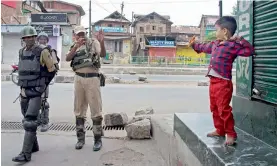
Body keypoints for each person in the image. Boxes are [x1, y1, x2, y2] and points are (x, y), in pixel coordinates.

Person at [188, 16, 254, 146]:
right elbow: (202, 47)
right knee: (214, 107)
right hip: (213, 82)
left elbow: (249, 51)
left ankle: (230, 134)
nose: (214, 32)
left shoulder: (233, 45)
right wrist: (193, 45)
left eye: (216, 29)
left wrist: (240, 39)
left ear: (224, 31)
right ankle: (220, 129)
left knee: (223, 109)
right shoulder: (214, 44)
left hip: (223, 83)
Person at [12, 26, 57, 162]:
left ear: (35, 38)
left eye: (31, 37)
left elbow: (52, 69)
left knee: (30, 122)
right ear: (23, 39)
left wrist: (43, 85)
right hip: (24, 91)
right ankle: (34, 146)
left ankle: (25, 154)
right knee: (26, 119)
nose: (29, 39)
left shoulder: (42, 51)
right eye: (26, 37)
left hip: (36, 91)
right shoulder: (21, 52)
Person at [66, 26, 106, 151]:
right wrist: (76, 46)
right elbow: (68, 58)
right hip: (79, 79)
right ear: (75, 35)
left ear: (86, 34)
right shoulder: (74, 45)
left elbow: (103, 54)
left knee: (96, 110)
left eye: (83, 34)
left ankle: (97, 140)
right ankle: (80, 139)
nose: (81, 36)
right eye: (78, 34)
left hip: (92, 78)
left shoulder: (93, 43)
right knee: (79, 109)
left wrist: (102, 42)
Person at [36, 32, 60, 132]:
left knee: (44, 102)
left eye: (44, 39)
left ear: (47, 40)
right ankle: (37, 121)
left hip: (44, 80)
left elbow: (54, 65)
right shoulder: (34, 50)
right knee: (34, 101)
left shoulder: (50, 51)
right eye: (40, 39)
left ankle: (45, 122)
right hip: (34, 79)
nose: (42, 40)